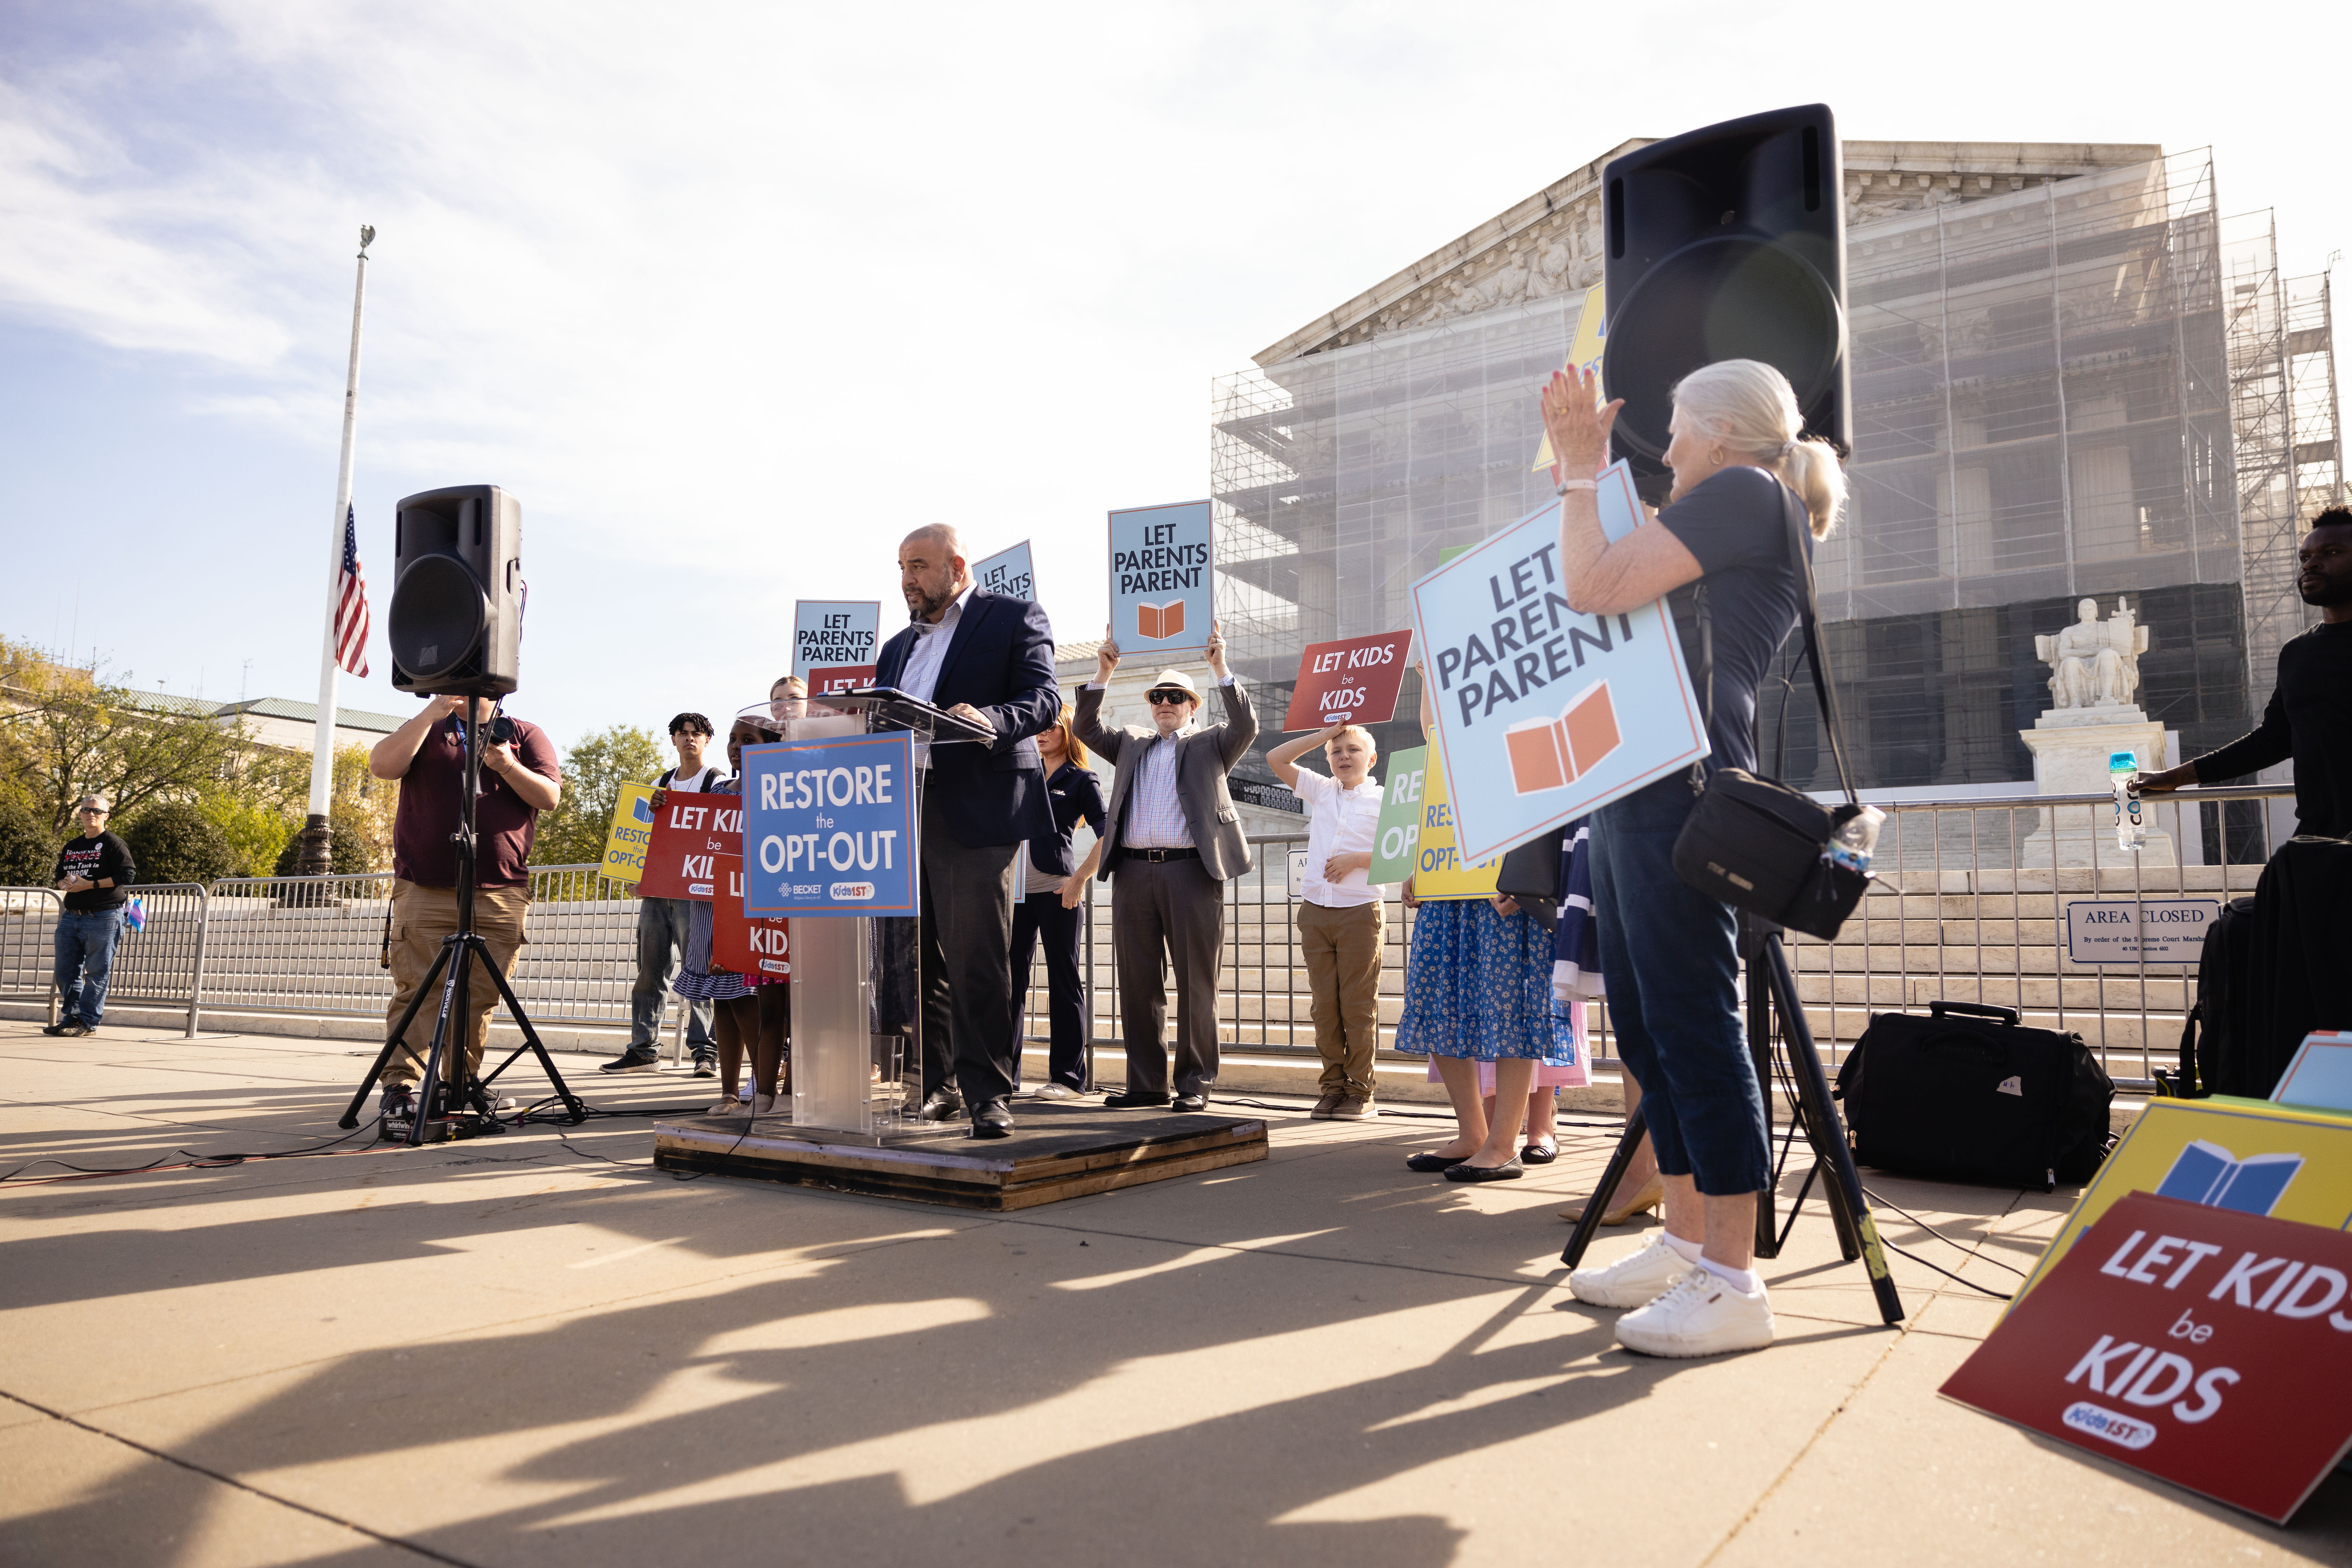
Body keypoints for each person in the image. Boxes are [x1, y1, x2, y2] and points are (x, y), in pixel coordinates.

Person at [1539, 355, 1848, 1357]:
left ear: (1721, 434)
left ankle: (1732, 1277)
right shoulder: (1735, 501)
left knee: (1696, 1026)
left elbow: (1590, 583)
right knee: (1647, 1025)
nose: (1664, 448)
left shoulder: (1748, 494)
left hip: (1685, 788)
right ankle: (1680, 1242)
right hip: (1641, 782)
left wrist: (1581, 473)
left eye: (1676, 429)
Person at [872, 524, 1060, 1139]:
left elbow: (1045, 699)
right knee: (916, 959)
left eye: (920, 566)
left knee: (977, 954)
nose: (908, 580)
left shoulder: (1011, 618)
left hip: (976, 806)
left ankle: (988, 1094)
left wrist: (990, 719)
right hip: (905, 811)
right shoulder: (897, 648)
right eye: (902, 567)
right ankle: (935, 1086)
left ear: (956, 565)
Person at [1392, 688, 1580, 1177]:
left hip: (1504, 889)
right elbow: (1435, 771)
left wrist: (1534, 875)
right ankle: (1473, 1133)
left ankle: (1503, 1144)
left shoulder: (1536, 720)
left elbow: (1557, 799)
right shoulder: (1453, 734)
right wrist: (1420, 866)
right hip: (1449, 884)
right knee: (1434, 1000)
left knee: (1513, 1009)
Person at [1073, 624, 1256, 1112]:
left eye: (1176, 696)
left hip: (1190, 874)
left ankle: (1195, 1082)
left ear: (1193, 705)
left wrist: (1219, 666)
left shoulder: (1212, 743)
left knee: (1197, 981)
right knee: (1137, 981)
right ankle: (1145, 1084)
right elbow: (1085, 729)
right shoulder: (1133, 742)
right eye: (1158, 696)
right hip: (1133, 874)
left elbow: (1247, 728)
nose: (1165, 703)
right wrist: (1104, 672)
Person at [369, 694, 561, 1125]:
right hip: (425, 887)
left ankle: (460, 1081)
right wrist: (428, 715)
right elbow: (382, 766)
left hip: (500, 890)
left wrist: (506, 764)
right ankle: (400, 1087)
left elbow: (550, 797)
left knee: (479, 994)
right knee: (419, 989)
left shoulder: (523, 734)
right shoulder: (427, 728)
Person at [2140, 506, 2352, 837]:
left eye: (2332, 553)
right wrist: (2175, 778)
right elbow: (2273, 740)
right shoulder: (2298, 653)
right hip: (2319, 839)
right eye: (2305, 556)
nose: (2310, 564)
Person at [1264, 720, 1388, 1119]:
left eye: (1352, 749)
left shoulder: (1386, 799)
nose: (1343, 756)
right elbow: (1276, 758)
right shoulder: (1321, 790)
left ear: (1371, 758)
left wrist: (1357, 860)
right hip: (1316, 909)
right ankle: (1332, 1087)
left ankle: (1361, 1091)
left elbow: (1406, 850)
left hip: (1359, 910)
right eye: (1336, 751)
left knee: (1357, 1004)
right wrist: (1325, 733)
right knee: (1325, 1007)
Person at [602, 712, 724, 1076]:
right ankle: (643, 1050)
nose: (690, 739)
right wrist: (632, 875)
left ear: (706, 741)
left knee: (699, 970)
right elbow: (640, 835)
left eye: (697, 734)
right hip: (657, 891)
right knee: (650, 971)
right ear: (673, 739)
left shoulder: (716, 782)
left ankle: (705, 1052)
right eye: (683, 733)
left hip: (695, 893)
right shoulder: (660, 783)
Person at [1009, 701, 1108, 1100]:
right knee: (1009, 986)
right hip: (1014, 895)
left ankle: (1068, 1079)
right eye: (1039, 727)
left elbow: (1108, 834)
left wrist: (1079, 880)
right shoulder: (1018, 773)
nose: (1044, 732)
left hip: (1057, 892)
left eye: (1052, 726)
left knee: (1064, 983)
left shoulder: (1082, 778)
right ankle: (1003, 1077)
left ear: (1068, 730)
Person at [44, 795, 135, 1038]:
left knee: (96, 972)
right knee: (65, 972)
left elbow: (127, 876)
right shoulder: (72, 846)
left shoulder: (113, 843)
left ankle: (88, 1022)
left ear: (106, 815)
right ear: (80, 814)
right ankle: (72, 1018)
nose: (90, 814)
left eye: (96, 811)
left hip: (104, 916)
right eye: (86, 810)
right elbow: (59, 874)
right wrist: (63, 882)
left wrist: (90, 885)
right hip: (71, 916)